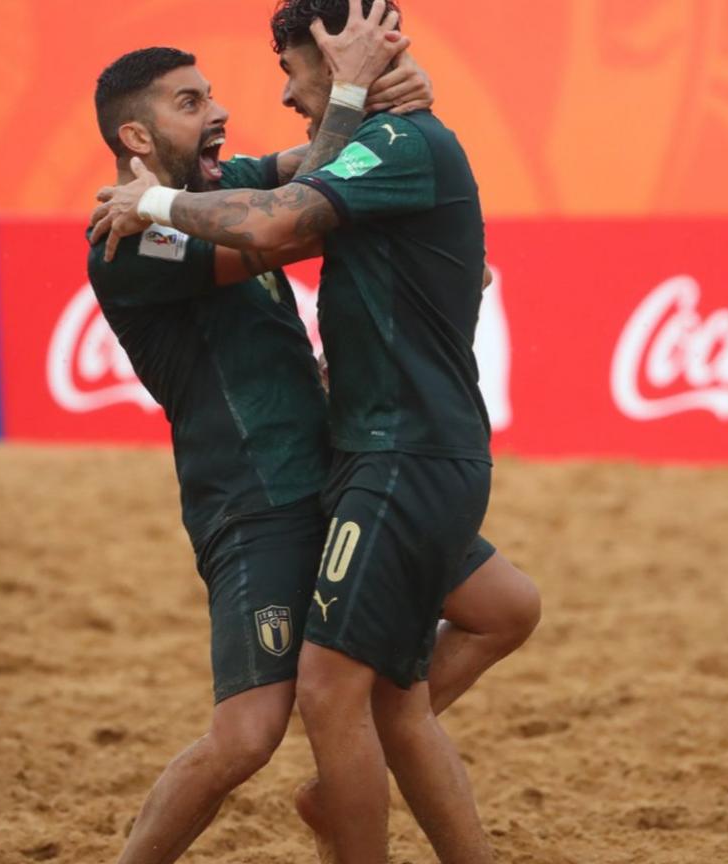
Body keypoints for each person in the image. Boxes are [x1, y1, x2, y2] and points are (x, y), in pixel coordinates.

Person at [89, 15, 538, 861]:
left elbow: (314, 174)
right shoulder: (129, 237)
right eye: (193, 102)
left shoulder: (231, 183)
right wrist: (361, 96)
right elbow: (282, 224)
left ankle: (345, 792)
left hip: (342, 475)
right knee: (248, 736)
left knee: (488, 620)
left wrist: (392, 96)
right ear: (138, 135)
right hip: (258, 505)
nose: (221, 109)